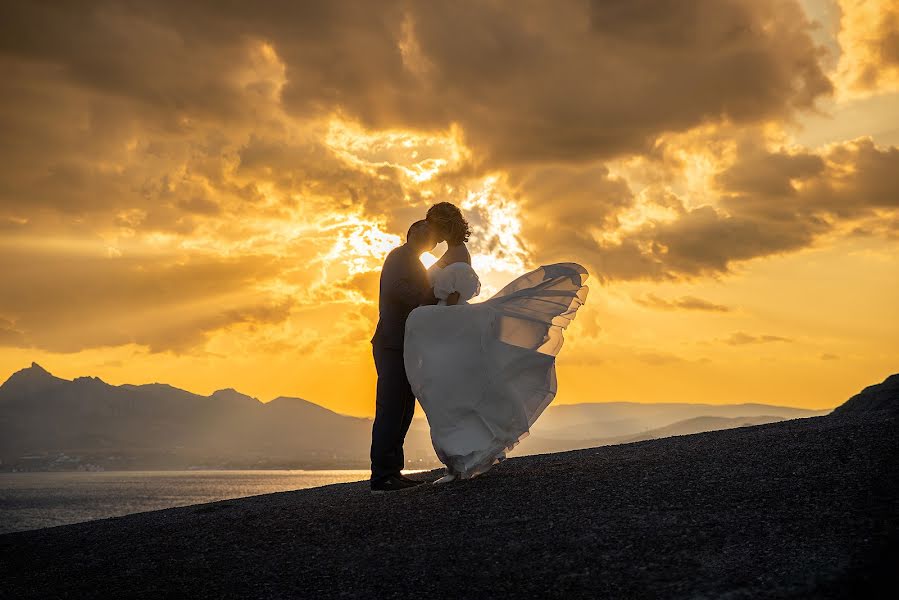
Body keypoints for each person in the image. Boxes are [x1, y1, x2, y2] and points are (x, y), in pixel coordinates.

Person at [405, 202, 589, 484]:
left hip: (448, 334)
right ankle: (461, 460)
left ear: (442, 226)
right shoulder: (452, 252)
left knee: (450, 395)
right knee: (449, 394)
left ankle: (461, 462)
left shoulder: (457, 256)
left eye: (433, 225)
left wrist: (427, 314)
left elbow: (454, 301)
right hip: (444, 334)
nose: (430, 231)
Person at [369, 219, 440, 493]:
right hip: (391, 343)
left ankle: (393, 471)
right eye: (424, 228)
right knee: (390, 408)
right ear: (411, 232)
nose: (429, 234)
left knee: (404, 409)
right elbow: (399, 289)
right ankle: (382, 476)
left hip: (404, 344)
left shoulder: (415, 261)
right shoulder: (399, 256)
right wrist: (430, 297)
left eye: (431, 233)